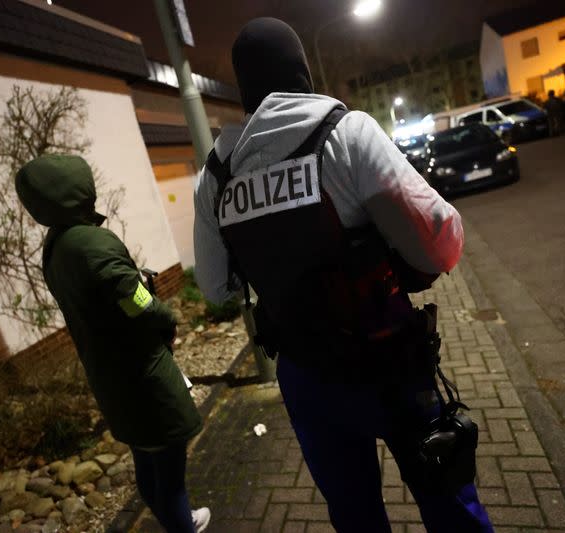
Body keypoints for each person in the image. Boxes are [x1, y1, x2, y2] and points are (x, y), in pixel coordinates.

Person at [193, 17, 493, 533]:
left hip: (307, 376)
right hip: (388, 360)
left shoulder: (216, 175)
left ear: (245, 87)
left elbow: (217, 287)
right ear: (301, 73)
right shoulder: (346, 133)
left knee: (355, 517)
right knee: (445, 495)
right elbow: (441, 240)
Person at [15, 154, 210, 533]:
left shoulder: (56, 247)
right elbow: (132, 297)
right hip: (142, 377)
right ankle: (182, 524)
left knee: (146, 461)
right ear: (78, 191)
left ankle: (178, 519)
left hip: (112, 379)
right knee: (169, 474)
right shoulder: (90, 243)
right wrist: (165, 316)